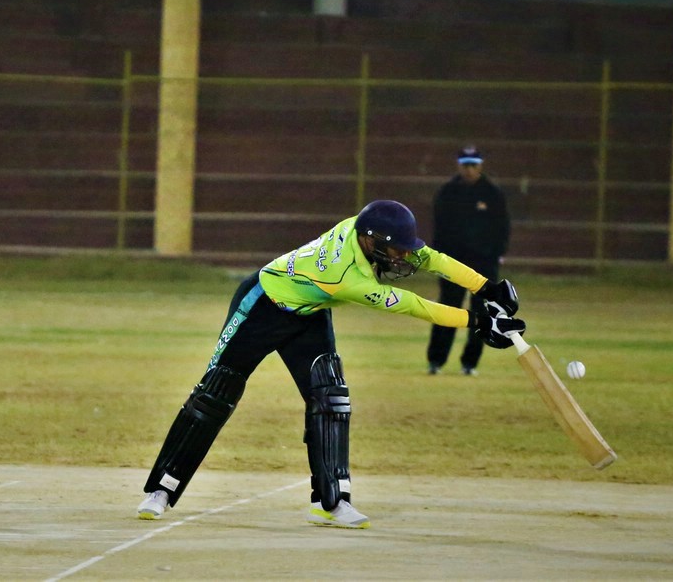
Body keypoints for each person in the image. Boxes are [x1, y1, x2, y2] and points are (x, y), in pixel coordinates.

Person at [135, 200, 523, 528]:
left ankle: (331, 502)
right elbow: (412, 305)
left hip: (309, 313)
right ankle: (162, 489)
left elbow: (434, 259)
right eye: (397, 252)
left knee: (330, 397)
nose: (404, 257)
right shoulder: (344, 275)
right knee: (215, 393)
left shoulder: (370, 231)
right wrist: (477, 321)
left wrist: (487, 289)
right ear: (370, 241)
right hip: (262, 306)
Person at [426, 146, 511, 376]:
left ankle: (470, 363)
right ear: (459, 165)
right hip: (453, 263)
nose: (469, 170)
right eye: (465, 165)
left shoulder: (492, 193)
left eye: (474, 165)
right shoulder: (447, 192)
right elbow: (439, 229)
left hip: (484, 264)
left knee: (482, 313)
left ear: (481, 165)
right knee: (447, 309)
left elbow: (502, 227)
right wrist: (439, 260)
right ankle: (436, 361)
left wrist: (497, 254)